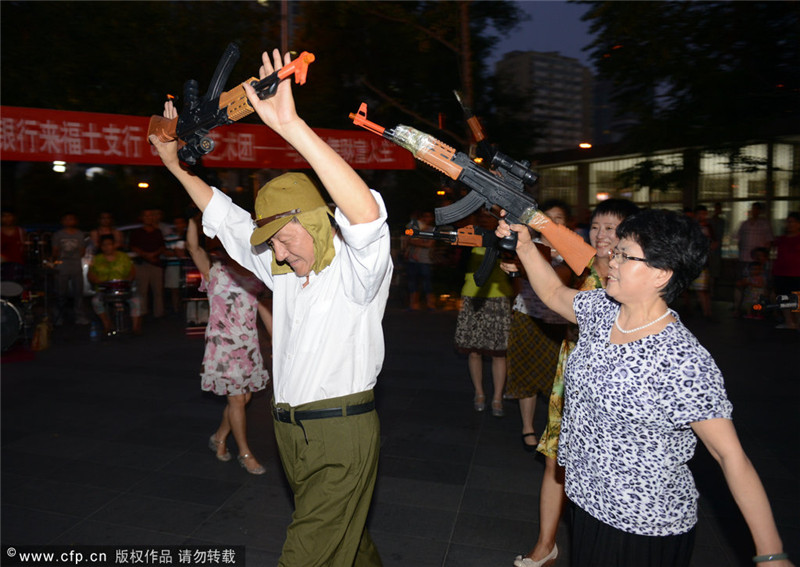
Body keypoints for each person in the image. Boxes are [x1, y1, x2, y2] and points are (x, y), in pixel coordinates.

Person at [150, 48, 391, 566]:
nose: (277, 253)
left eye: (284, 237)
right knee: (347, 544)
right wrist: (173, 165)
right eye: (272, 243)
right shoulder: (281, 269)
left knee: (305, 552)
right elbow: (226, 216)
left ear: (315, 221)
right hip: (290, 432)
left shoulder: (358, 273)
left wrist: (291, 128)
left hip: (340, 433)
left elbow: (367, 216)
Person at [497, 208, 792, 567]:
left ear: (661, 273)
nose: (612, 260)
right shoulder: (602, 310)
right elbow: (554, 292)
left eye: (625, 255)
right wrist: (525, 246)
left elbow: (730, 456)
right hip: (588, 504)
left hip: (642, 525)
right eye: (616, 252)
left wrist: (771, 554)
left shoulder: (680, 359)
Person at [508, 198, 639, 567]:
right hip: (572, 373)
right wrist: (520, 262)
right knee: (555, 458)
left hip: (615, 384)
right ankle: (545, 544)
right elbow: (550, 283)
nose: (601, 234)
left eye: (611, 228)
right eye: (596, 226)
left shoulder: (635, 277)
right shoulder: (578, 263)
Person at [185, 216, 270, 475]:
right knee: (237, 400)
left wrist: (277, 337)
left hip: (248, 346)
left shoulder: (256, 275)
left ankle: (219, 437)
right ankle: (245, 453)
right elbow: (193, 247)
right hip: (222, 347)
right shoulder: (215, 272)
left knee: (244, 398)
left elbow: (263, 309)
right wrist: (193, 216)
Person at [503, 200, 571, 453]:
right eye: (547, 217)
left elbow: (565, 279)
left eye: (558, 217)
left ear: (567, 223)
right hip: (527, 316)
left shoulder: (573, 250)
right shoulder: (527, 245)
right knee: (526, 374)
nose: (552, 222)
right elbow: (514, 282)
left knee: (557, 381)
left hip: (558, 322)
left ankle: (556, 430)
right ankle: (527, 427)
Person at [454, 209, 514, 417]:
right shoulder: (470, 236)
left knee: (499, 353)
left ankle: (497, 397)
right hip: (473, 296)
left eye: (491, 216)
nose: (486, 219)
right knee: (474, 350)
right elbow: (458, 264)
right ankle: (479, 393)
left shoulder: (507, 236)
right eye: (483, 216)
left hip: (499, 296)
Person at [87, 234, 142, 336]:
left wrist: (128, 280)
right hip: (104, 290)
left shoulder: (123, 257)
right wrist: (96, 280)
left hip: (123, 288)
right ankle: (107, 324)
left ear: (114, 245)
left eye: (109, 244)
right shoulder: (96, 259)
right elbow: (90, 274)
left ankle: (135, 327)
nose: (107, 247)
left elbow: (132, 271)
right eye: (104, 245)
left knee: (136, 300)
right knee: (96, 301)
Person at [734, 202, 773, 317]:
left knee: (760, 286)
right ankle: (738, 308)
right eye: (753, 209)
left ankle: (761, 310)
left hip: (759, 259)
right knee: (741, 284)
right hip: (745, 258)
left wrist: (764, 257)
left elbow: (769, 241)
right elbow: (738, 239)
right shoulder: (744, 224)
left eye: (757, 209)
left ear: (760, 211)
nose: (754, 212)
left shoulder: (764, 224)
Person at [129, 209, 166, 318]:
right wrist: (146, 255)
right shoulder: (136, 232)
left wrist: (154, 254)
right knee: (142, 290)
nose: (148, 218)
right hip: (141, 264)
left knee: (158, 291)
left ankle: (159, 314)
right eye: (146, 216)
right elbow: (133, 247)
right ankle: (142, 313)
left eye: (150, 216)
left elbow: (162, 247)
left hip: (156, 264)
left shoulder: (158, 231)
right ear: (141, 218)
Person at [51, 212, 88, 325]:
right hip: (62, 266)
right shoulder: (58, 235)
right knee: (60, 292)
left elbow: (82, 251)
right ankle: (59, 316)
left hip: (76, 266)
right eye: (66, 219)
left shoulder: (80, 234)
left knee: (78, 292)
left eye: (71, 219)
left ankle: (80, 316)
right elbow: (55, 251)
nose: (68, 221)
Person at [403, 210, 437, 310]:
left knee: (427, 282)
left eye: (428, 217)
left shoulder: (432, 230)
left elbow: (429, 244)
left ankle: (430, 304)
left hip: (425, 260)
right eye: (424, 216)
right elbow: (408, 240)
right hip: (412, 259)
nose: (426, 219)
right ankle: (413, 304)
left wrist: (415, 242)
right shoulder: (414, 228)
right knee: (412, 282)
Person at [771, 212, 800, 330]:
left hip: (797, 273)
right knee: (784, 297)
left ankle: (798, 322)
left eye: (792, 222)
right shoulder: (781, 239)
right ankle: (789, 322)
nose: (790, 224)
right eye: (788, 222)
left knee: (797, 298)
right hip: (781, 272)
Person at [737, 247, 771, 319]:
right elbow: (743, 279)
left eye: (760, 255)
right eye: (756, 255)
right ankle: (746, 312)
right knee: (749, 301)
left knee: (758, 302)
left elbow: (763, 284)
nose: (758, 257)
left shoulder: (767, 268)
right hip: (750, 292)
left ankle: (759, 314)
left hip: (760, 291)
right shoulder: (749, 267)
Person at [164, 216, 188, 316]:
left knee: (187, 289)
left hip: (188, 266)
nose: (179, 225)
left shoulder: (189, 235)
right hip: (173, 265)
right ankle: (176, 310)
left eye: (181, 222)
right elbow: (166, 252)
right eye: (176, 223)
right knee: (174, 289)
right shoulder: (168, 237)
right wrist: (178, 253)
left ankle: (186, 310)